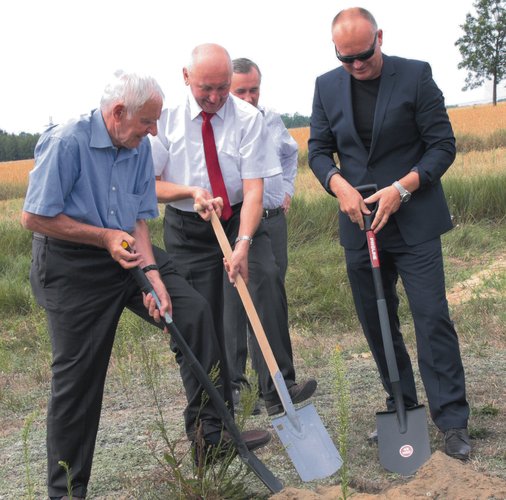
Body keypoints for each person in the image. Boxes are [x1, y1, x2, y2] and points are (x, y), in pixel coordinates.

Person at [21, 70, 270, 500]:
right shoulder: (66, 142)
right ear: (118, 113)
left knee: (192, 313)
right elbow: (34, 217)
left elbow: (137, 217)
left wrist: (153, 278)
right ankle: (66, 491)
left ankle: (211, 437)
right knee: (79, 377)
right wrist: (101, 237)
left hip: (128, 251)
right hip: (72, 265)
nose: (155, 130)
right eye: (147, 122)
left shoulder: (135, 147)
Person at [308, 8, 471, 460]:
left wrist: (403, 187)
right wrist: (336, 184)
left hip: (414, 220)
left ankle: (452, 420)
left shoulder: (416, 76)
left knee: (431, 316)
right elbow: (318, 150)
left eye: (364, 55)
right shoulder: (326, 85)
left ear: (380, 38)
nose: (357, 66)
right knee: (377, 322)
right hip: (360, 225)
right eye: (347, 59)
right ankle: (401, 403)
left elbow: (442, 145)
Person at [150, 43, 316, 418]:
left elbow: (254, 187)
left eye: (223, 88)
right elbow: (151, 185)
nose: (214, 97)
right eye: (205, 88)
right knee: (202, 311)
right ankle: (220, 403)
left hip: (238, 216)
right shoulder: (166, 119)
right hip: (188, 228)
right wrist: (190, 192)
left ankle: (278, 387)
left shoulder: (247, 118)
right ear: (185, 77)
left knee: (266, 279)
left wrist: (242, 244)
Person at [223, 57, 299, 408]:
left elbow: (290, 154)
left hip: (273, 219)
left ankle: (275, 384)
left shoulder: (270, 119)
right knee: (237, 302)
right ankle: (236, 386)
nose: (249, 96)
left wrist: (287, 190)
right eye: (242, 90)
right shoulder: (225, 124)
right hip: (239, 221)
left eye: (254, 89)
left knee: (271, 296)